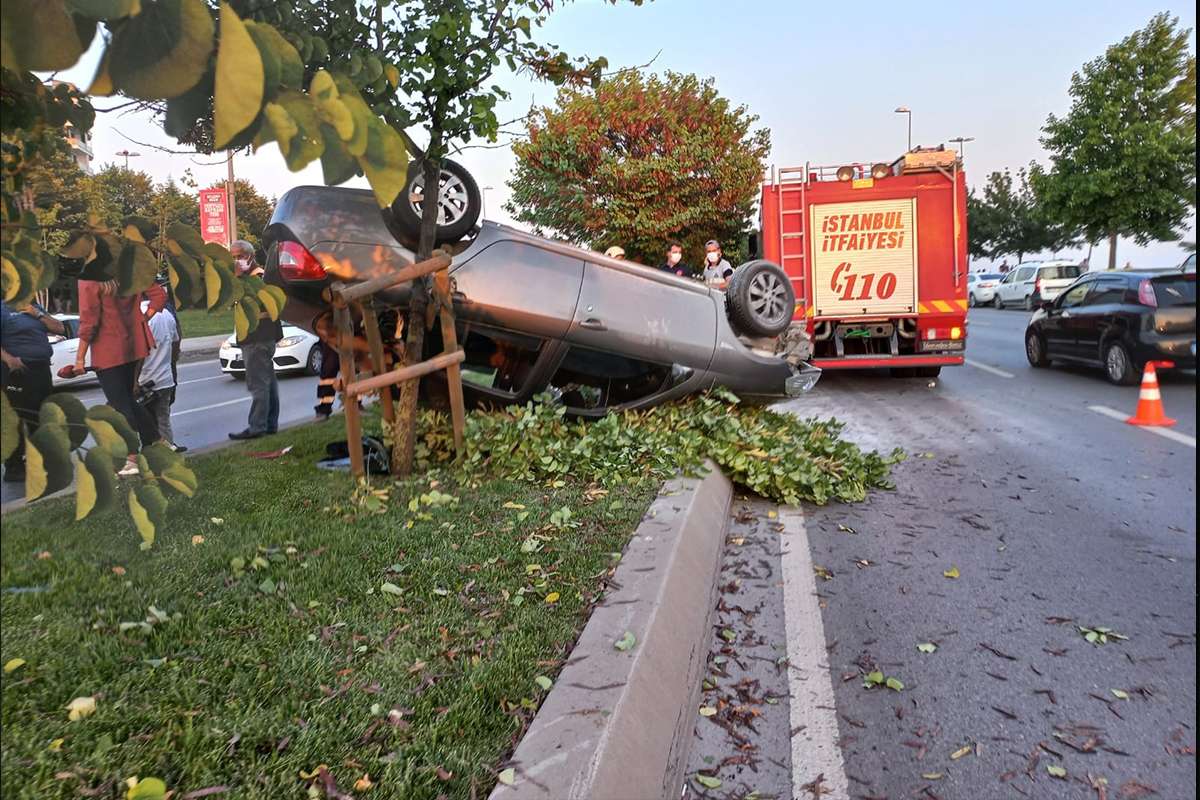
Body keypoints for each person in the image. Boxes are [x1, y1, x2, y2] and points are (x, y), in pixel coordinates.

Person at [73, 275, 166, 476]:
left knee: (120, 404)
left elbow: (89, 321)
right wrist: (144, 318)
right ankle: (159, 443)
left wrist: (80, 359)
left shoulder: (89, 280)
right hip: (133, 345)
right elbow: (159, 295)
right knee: (129, 401)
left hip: (108, 350)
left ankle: (131, 457)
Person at [1, 299, 66, 483]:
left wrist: (37, 314)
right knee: (16, 419)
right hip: (15, 372)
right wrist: (9, 360)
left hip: (41, 369)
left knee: (41, 416)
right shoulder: (3, 309)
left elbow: (60, 328)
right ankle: (14, 468)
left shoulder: (35, 307)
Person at [229, 240, 282, 440]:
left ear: (250, 256)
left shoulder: (256, 278)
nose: (236, 261)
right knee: (268, 382)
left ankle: (257, 427)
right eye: (233, 257)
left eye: (239, 256)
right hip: (262, 337)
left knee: (258, 383)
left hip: (257, 337)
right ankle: (269, 424)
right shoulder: (257, 276)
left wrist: (236, 280)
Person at [137, 299, 185, 452]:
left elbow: (140, 353)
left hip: (145, 379)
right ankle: (169, 449)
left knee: (145, 422)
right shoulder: (167, 314)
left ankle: (149, 453)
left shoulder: (140, 315)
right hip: (165, 378)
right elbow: (176, 342)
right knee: (163, 418)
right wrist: (171, 363)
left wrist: (133, 381)